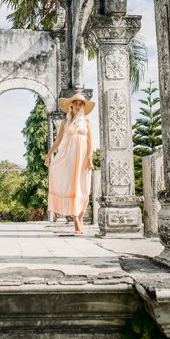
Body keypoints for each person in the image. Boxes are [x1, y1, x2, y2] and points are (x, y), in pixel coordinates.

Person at [45, 93, 95, 234]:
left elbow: (90, 141)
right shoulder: (65, 122)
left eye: (81, 104)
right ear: (71, 105)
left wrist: (90, 158)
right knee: (72, 187)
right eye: (76, 103)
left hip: (83, 157)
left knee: (84, 187)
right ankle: (76, 222)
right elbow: (58, 140)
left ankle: (80, 217)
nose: (79, 106)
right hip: (68, 157)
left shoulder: (86, 120)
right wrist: (48, 155)